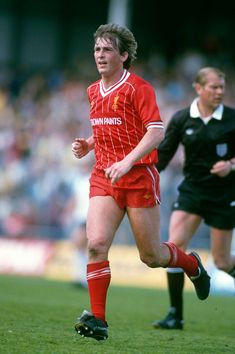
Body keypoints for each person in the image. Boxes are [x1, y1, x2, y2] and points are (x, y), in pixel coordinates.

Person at [72, 23, 210, 341]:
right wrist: (90, 145)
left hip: (137, 177)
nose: (100, 55)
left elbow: (156, 131)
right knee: (95, 245)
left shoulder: (139, 88)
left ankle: (192, 265)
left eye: (107, 49)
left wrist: (128, 161)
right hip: (105, 176)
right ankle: (98, 320)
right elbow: (109, 124)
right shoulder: (93, 90)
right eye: (97, 49)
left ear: (123, 55)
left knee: (151, 256)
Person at [152, 67, 235, 330]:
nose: (219, 92)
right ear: (198, 88)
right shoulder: (181, 119)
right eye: (214, 87)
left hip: (224, 195)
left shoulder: (233, 119)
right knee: (174, 247)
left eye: (222, 87)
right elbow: (162, 157)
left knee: (222, 262)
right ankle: (175, 314)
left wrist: (231, 165)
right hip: (192, 192)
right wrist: (142, 176)